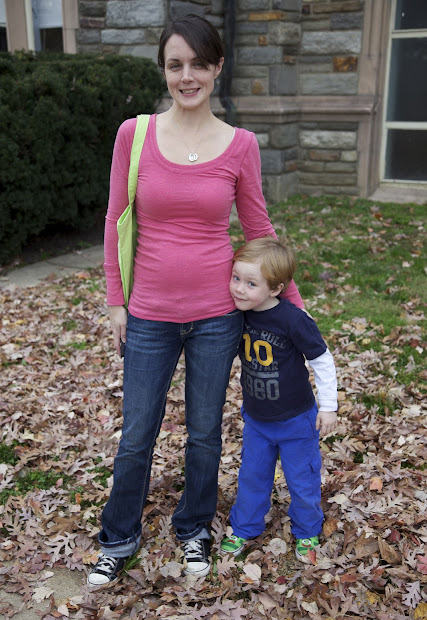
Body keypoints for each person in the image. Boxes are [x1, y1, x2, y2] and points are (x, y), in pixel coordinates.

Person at [88, 15, 304, 587]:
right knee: (137, 433)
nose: (187, 76)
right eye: (175, 65)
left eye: (198, 64)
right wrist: (116, 300)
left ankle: (193, 530)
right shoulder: (134, 135)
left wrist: (294, 306)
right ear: (164, 70)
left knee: (205, 433)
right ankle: (118, 538)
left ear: (217, 68)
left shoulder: (240, 145)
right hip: (149, 314)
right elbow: (114, 219)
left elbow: (258, 228)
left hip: (216, 316)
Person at [220, 237, 337, 562]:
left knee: (302, 478)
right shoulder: (237, 315)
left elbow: (322, 360)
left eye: (251, 283)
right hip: (257, 419)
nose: (239, 289)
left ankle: (307, 530)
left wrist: (329, 406)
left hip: (296, 419)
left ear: (275, 289)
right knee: (252, 476)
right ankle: (244, 527)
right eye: (236, 278)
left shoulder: (293, 319)